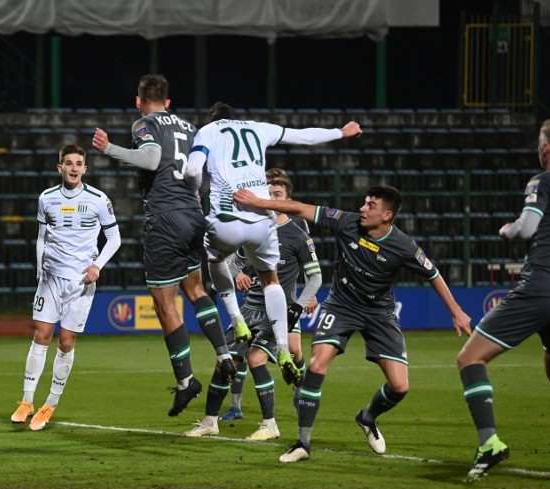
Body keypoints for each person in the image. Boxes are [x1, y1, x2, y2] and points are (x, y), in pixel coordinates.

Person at [234, 184, 472, 463]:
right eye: (364, 202)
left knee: (400, 386)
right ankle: (302, 443)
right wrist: (261, 202)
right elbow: (300, 208)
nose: (362, 208)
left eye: (371, 205)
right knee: (316, 365)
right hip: (342, 305)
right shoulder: (346, 221)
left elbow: (433, 274)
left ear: (387, 216)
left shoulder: (404, 245)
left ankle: (367, 417)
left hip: (379, 313)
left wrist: (456, 310)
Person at [183, 102, 361, 390]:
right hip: (261, 221)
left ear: (213, 120)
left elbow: (192, 169)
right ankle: (281, 346)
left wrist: (195, 190)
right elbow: (303, 136)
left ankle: (236, 318)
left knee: (215, 260)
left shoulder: (208, 131)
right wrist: (340, 132)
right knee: (271, 280)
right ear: (236, 118)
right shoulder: (258, 128)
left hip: (227, 218)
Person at [92, 74, 235, 417]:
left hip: (165, 218)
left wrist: (108, 148)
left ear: (138, 101)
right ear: (169, 101)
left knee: (163, 301)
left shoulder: (144, 124)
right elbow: (204, 173)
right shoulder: (189, 127)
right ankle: (224, 354)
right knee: (196, 288)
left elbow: (152, 158)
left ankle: (186, 381)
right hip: (192, 213)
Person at [184, 176, 322, 439]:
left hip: (277, 312)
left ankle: (270, 424)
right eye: (268, 192)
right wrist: (235, 276)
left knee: (257, 359)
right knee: (223, 362)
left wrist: (299, 305)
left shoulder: (298, 234)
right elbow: (233, 265)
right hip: (248, 311)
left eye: (277, 193)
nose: (272, 197)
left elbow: (316, 276)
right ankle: (210, 421)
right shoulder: (254, 228)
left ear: (288, 200)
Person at [455, 119, 550, 482]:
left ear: (546, 148)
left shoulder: (542, 180)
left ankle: (489, 442)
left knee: (470, 357)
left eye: (540, 143)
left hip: (540, 286)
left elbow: (526, 227)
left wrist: (508, 229)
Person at [10, 145, 121, 431]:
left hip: (80, 282)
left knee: (66, 341)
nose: (74, 168)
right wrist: (39, 269)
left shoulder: (98, 199)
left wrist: (98, 266)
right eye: (68, 163)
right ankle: (26, 401)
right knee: (41, 334)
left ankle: (50, 404)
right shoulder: (46, 198)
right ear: (59, 167)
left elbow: (114, 238)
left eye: (79, 163)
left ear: (86, 168)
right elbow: (41, 237)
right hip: (51, 277)